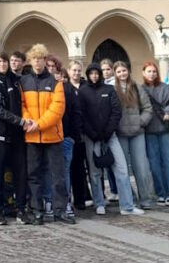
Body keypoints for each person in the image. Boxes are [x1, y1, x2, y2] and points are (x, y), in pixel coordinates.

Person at [81, 63, 142, 216]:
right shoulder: (83, 91)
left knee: (121, 169)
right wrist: (93, 133)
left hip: (110, 136)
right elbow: (82, 115)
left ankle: (127, 205)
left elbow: (116, 111)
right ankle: (99, 203)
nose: (94, 76)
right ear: (88, 75)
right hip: (92, 137)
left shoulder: (109, 90)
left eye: (97, 73)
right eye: (91, 73)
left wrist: (108, 131)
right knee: (95, 172)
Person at [22, 44, 74, 225]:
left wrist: (39, 124)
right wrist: (29, 122)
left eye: (41, 58)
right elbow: (22, 106)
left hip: (52, 136)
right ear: (31, 61)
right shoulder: (24, 82)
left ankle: (60, 210)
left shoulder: (55, 82)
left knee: (57, 175)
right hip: (31, 137)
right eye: (34, 58)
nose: (38, 62)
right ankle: (37, 211)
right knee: (33, 176)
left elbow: (57, 109)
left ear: (45, 61)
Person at [0, 48, 29, 225]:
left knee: (21, 175)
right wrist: (19, 121)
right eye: (0, 62)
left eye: (5, 61)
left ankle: (20, 209)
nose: (3, 65)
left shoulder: (15, 80)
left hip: (17, 137)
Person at [113, 61, 157, 209]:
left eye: (123, 71)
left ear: (128, 71)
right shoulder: (113, 89)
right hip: (121, 133)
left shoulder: (137, 87)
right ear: (115, 74)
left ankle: (145, 199)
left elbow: (147, 108)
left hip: (137, 132)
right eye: (118, 72)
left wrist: (141, 122)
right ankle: (129, 198)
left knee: (141, 167)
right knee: (123, 168)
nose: (122, 74)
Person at [140, 62, 169, 206]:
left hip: (165, 129)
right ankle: (160, 193)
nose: (151, 74)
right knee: (154, 164)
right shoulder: (141, 89)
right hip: (150, 130)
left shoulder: (165, 88)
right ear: (143, 73)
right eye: (149, 71)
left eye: (154, 71)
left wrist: (168, 112)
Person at [53, 60, 82, 218]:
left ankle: (65, 204)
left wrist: (72, 136)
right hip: (48, 137)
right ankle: (51, 203)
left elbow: (76, 113)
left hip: (65, 136)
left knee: (64, 172)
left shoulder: (68, 90)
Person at [66, 61, 91, 210]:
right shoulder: (65, 87)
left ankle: (81, 199)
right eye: (73, 70)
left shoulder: (85, 87)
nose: (76, 73)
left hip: (83, 132)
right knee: (69, 167)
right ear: (68, 71)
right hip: (70, 132)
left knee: (80, 168)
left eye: (78, 70)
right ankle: (69, 199)